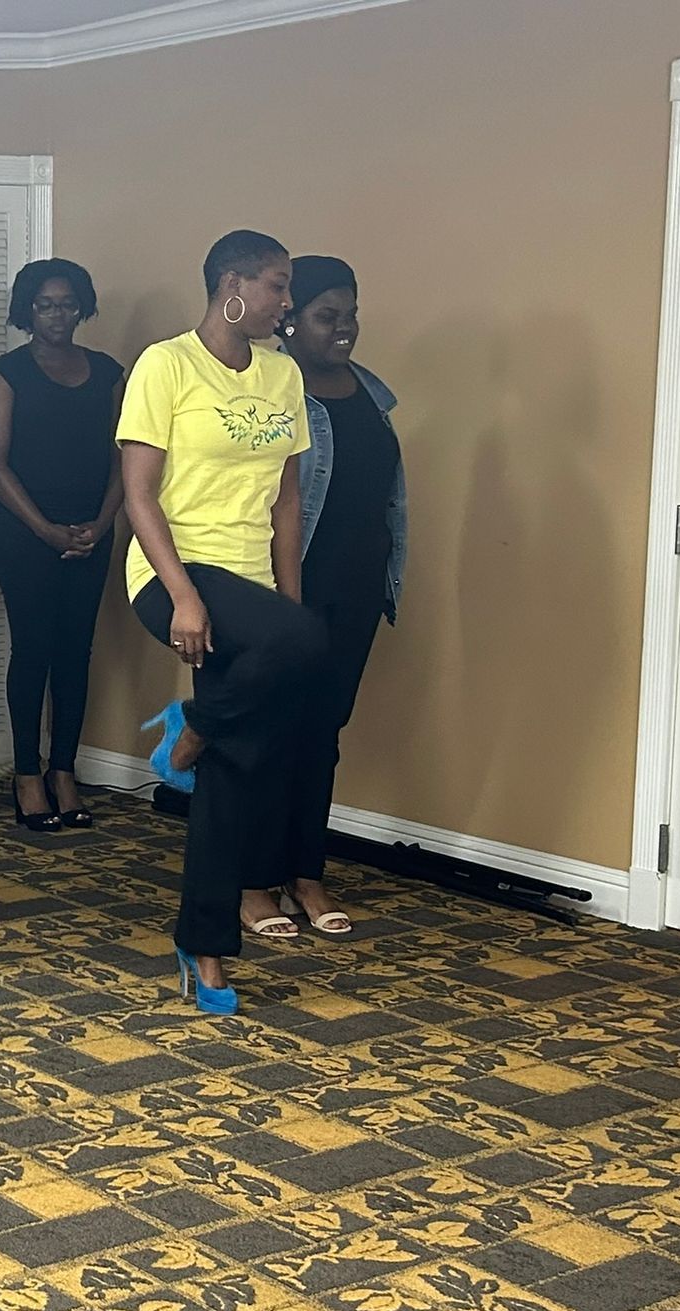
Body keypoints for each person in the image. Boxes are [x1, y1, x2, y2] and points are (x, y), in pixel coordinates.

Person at [121, 231, 325, 1014]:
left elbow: (287, 503)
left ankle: (201, 948)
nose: (285, 303)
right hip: (176, 574)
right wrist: (184, 596)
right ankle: (198, 723)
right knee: (296, 662)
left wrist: (289, 610)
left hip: (250, 586)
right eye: (277, 287)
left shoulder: (282, 374)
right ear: (232, 285)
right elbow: (140, 495)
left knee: (231, 773)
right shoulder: (165, 365)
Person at [243, 256, 406, 937]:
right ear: (289, 320)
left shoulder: (370, 391)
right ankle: (252, 883)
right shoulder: (269, 390)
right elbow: (253, 500)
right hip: (290, 596)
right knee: (270, 738)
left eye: (351, 315)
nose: (344, 329)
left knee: (322, 737)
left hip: (356, 592)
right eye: (326, 316)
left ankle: (306, 875)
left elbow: (386, 498)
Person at [0, 258, 125, 832]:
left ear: (82, 306)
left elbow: (126, 457)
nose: (58, 315)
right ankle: (26, 773)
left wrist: (102, 521)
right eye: (45, 305)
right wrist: (44, 528)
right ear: (28, 311)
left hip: (93, 530)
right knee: (33, 649)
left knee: (76, 652)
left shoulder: (111, 372)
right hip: (25, 533)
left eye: (68, 303)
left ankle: (64, 768)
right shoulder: (7, 373)